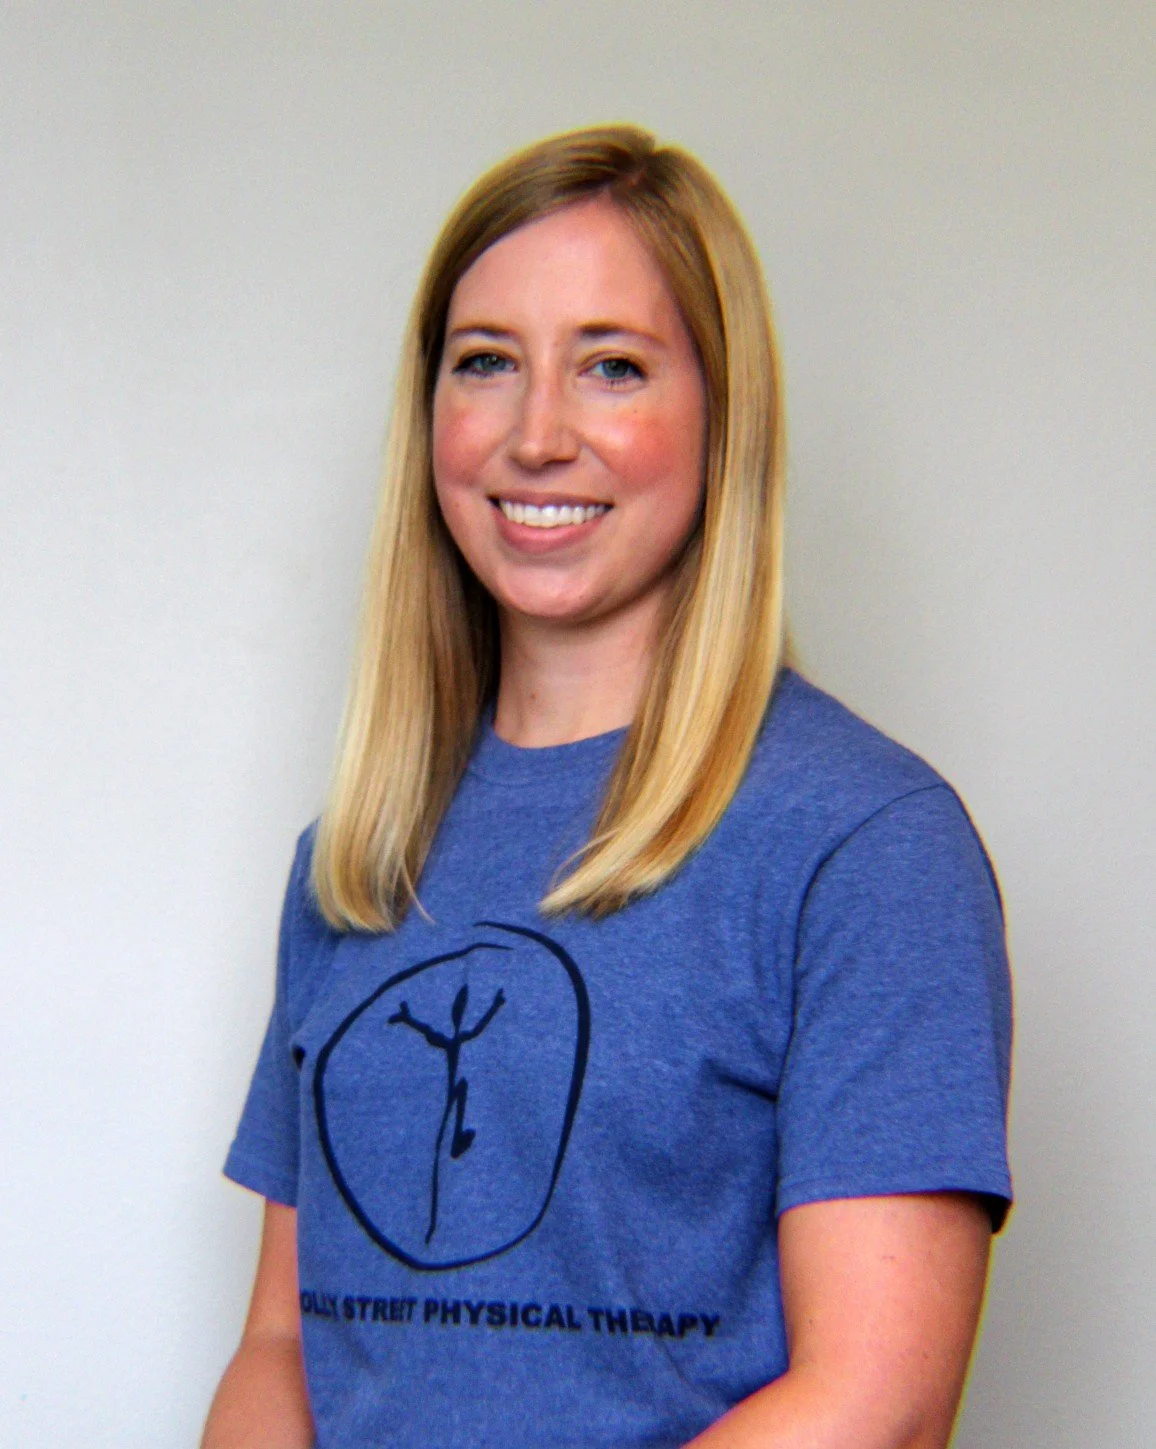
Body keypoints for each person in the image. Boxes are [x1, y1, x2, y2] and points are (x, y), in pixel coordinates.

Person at [202, 124, 1012, 1449]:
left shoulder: (866, 846)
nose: (537, 437)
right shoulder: (354, 855)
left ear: (721, 417)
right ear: (429, 419)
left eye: (613, 368)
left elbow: (875, 1405)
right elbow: (283, 1345)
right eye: (486, 366)